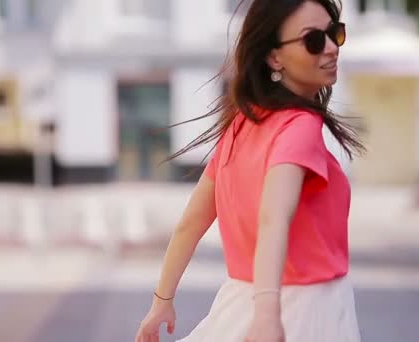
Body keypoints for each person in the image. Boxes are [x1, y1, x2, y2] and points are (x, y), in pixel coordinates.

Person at [135, 0, 364, 341]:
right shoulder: (299, 126)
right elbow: (273, 218)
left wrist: (161, 301)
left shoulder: (241, 125)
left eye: (335, 33)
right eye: (313, 40)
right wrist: (268, 318)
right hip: (304, 311)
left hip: (240, 305)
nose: (331, 48)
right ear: (274, 57)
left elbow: (191, 222)